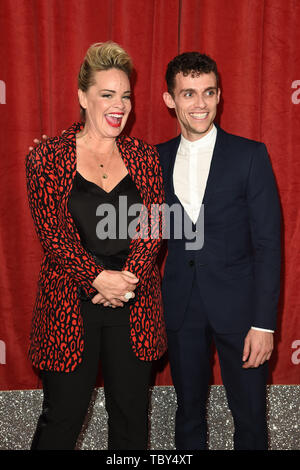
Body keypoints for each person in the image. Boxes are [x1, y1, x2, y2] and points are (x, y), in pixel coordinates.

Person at [25, 41, 166, 450]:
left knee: (131, 421)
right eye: (107, 94)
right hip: (70, 302)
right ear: (83, 96)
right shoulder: (46, 157)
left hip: (133, 301)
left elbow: (154, 226)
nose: (118, 105)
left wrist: (126, 281)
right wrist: (97, 279)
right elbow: (54, 236)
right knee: (63, 418)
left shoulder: (144, 157)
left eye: (125, 95)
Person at [157, 52, 281, 450]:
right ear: (169, 99)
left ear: (219, 95)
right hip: (181, 307)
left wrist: (264, 324)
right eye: (188, 93)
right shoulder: (151, 160)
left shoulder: (250, 155)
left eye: (208, 92)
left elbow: (268, 244)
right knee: (187, 414)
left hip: (242, 313)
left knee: (249, 416)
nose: (199, 103)